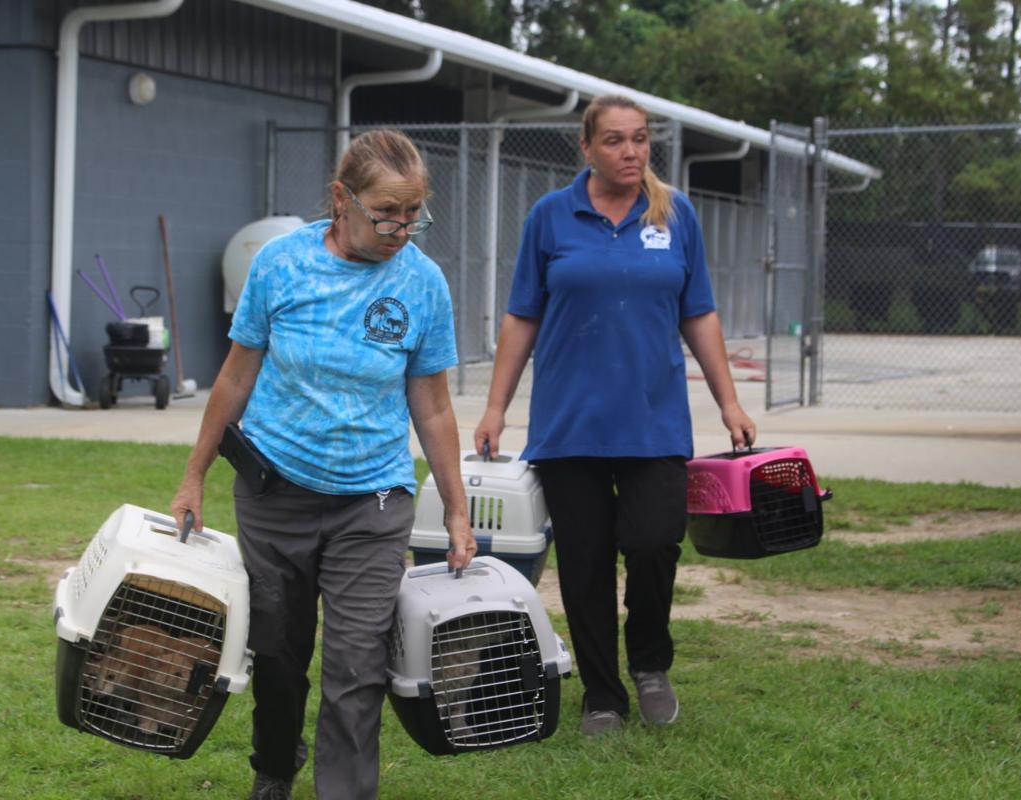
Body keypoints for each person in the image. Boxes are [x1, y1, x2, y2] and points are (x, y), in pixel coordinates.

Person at [171, 129, 475, 800]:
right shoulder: (280, 264)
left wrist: (456, 508)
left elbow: (431, 405)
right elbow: (234, 377)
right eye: (386, 211)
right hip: (274, 492)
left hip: (373, 501)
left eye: (413, 211)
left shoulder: (422, 282)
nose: (401, 227)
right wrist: (194, 474)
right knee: (279, 658)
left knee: (356, 665)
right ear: (342, 199)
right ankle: (275, 767)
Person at [473, 94, 756, 736]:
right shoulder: (550, 216)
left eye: (640, 139)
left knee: (655, 542)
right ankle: (603, 693)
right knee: (586, 561)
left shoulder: (675, 213)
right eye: (615, 141)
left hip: (654, 422)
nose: (631, 152)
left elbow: (698, 312)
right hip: (569, 426)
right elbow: (523, 314)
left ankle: (650, 663)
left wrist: (729, 401)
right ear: (587, 148)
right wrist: (496, 407)